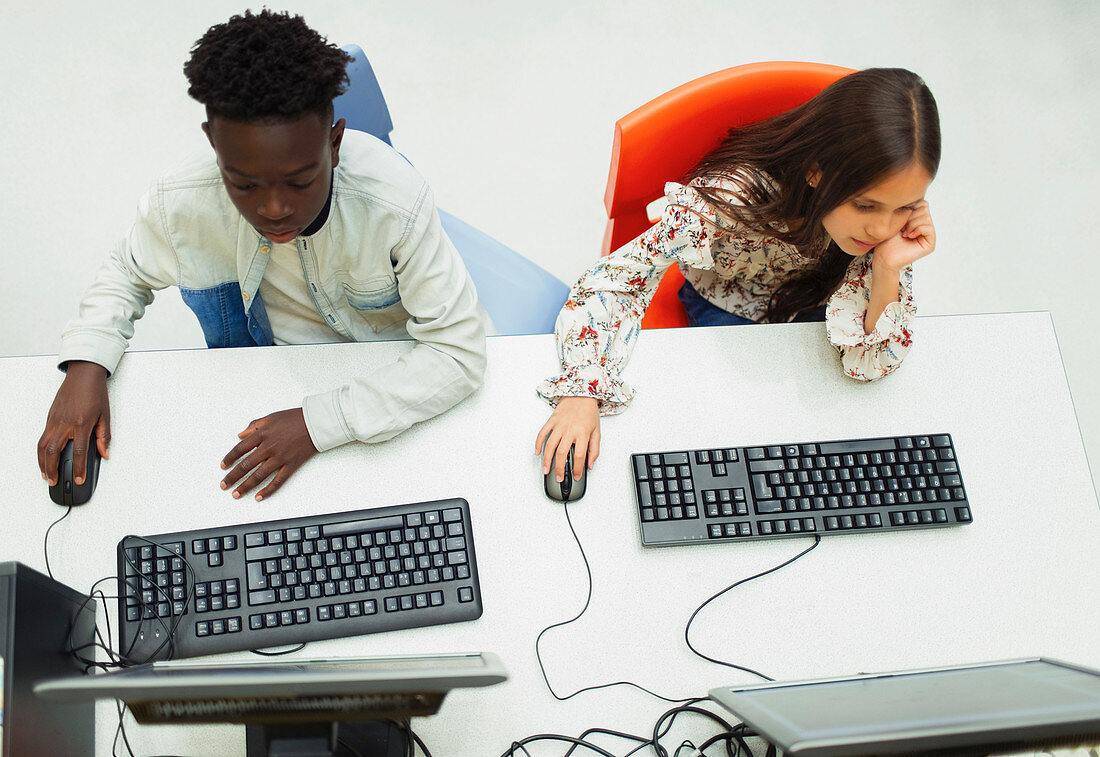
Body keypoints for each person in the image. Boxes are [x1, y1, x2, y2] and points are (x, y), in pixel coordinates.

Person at [37, 10, 487, 501]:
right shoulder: (181, 203)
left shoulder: (394, 202)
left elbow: (457, 352)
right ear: (213, 145)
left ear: (334, 145)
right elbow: (126, 272)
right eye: (244, 184)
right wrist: (87, 365)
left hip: (392, 391)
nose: (274, 209)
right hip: (264, 389)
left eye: (299, 181)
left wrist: (317, 425)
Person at [535, 67, 940, 483]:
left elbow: (872, 361)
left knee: (846, 425)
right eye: (865, 205)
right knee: (742, 433)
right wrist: (581, 388)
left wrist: (889, 267)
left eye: (906, 206)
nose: (881, 229)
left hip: (813, 298)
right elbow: (613, 279)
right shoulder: (729, 200)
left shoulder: (882, 230)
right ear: (817, 172)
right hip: (731, 300)